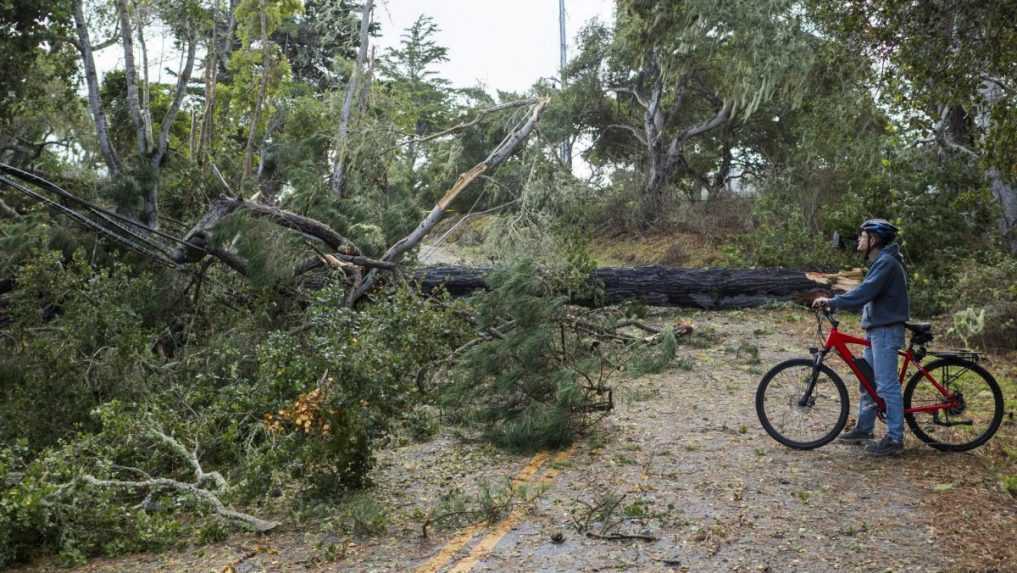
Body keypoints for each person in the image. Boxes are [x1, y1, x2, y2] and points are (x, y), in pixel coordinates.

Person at [812, 218, 910, 456]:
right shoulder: (882, 261)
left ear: (873, 240)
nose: (859, 239)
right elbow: (865, 291)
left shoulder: (886, 262)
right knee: (868, 382)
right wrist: (837, 300)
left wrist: (833, 302)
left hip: (885, 330)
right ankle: (864, 429)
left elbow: (865, 292)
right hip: (877, 328)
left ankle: (895, 439)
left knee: (886, 385)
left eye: (862, 236)